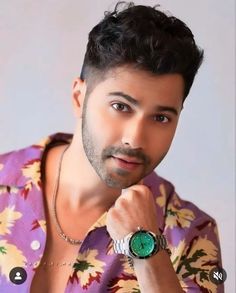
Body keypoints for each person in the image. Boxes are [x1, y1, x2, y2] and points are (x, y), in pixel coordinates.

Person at [0, 2, 224, 292]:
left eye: (160, 117)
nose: (135, 138)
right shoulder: (5, 185)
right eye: (120, 106)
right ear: (80, 98)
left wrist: (148, 253)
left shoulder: (192, 234)